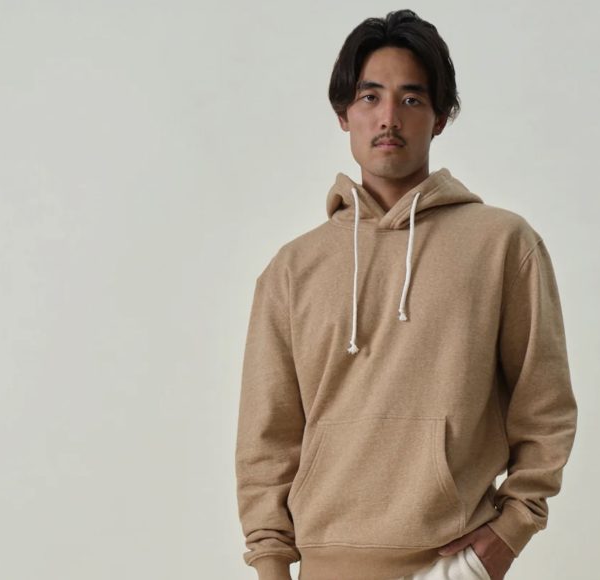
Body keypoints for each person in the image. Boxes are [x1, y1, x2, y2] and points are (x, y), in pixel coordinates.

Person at [235, 9, 578, 580]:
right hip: (327, 565)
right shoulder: (292, 270)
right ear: (343, 114)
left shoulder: (501, 245)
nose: (388, 117)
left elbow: (545, 406)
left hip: (452, 563)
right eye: (370, 97)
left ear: (440, 117)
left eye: (411, 99)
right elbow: (266, 439)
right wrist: (271, 563)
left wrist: (512, 529)